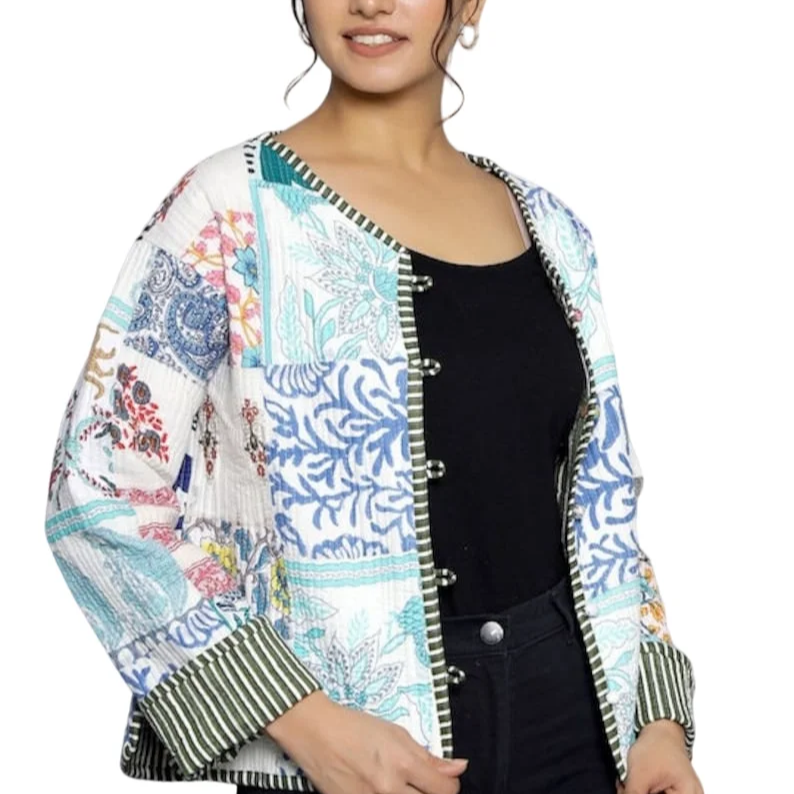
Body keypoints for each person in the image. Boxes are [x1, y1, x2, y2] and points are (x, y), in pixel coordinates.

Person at [44, 1, 703, 793]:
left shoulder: (556, 231)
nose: (371, 2)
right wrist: (306, 724)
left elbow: (602, 507)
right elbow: (98, 485)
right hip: (359, 751)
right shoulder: (230, 210)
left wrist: (656, 724)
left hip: (580, 734)